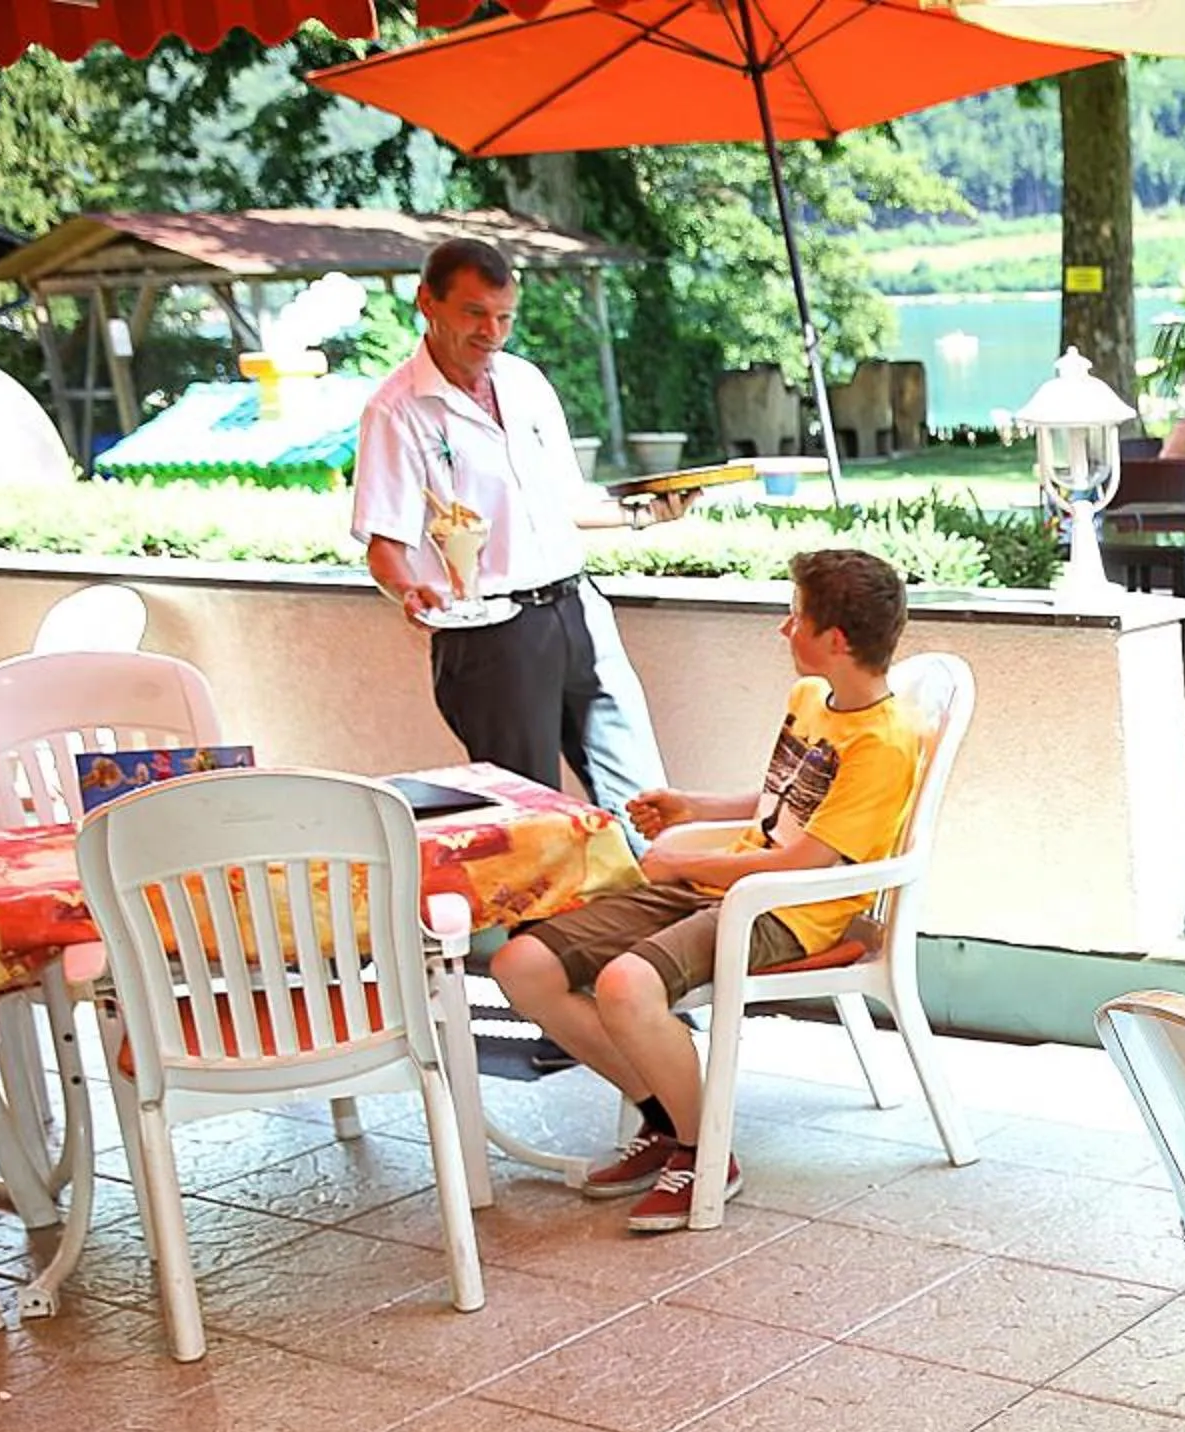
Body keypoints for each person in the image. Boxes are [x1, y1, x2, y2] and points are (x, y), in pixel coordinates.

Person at [490, 548, 922, 1233]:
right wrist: (695, 810)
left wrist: (678, 865)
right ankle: (666, 1121)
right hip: (732, 882)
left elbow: (806, 862)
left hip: (789, 911)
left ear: (835, 640)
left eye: (796, 618)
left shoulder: (886, 743)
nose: (786, 631)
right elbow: (787, 802)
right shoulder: (813, 698)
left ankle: (705, 1153)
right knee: (522, 964)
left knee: (626, 986)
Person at [353, 237, 680, 843]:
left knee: (642, 793)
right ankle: (542, 940)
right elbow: (384, 544)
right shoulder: (396, 411)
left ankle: (653, 921)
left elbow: (565, 504)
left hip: (578, 608)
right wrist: (409, 591)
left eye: (504, 316)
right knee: (533, 820)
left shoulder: (527, 383)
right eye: (474, 313)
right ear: (428, 302)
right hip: (491, 635)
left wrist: (647, 514)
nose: (492, 332)